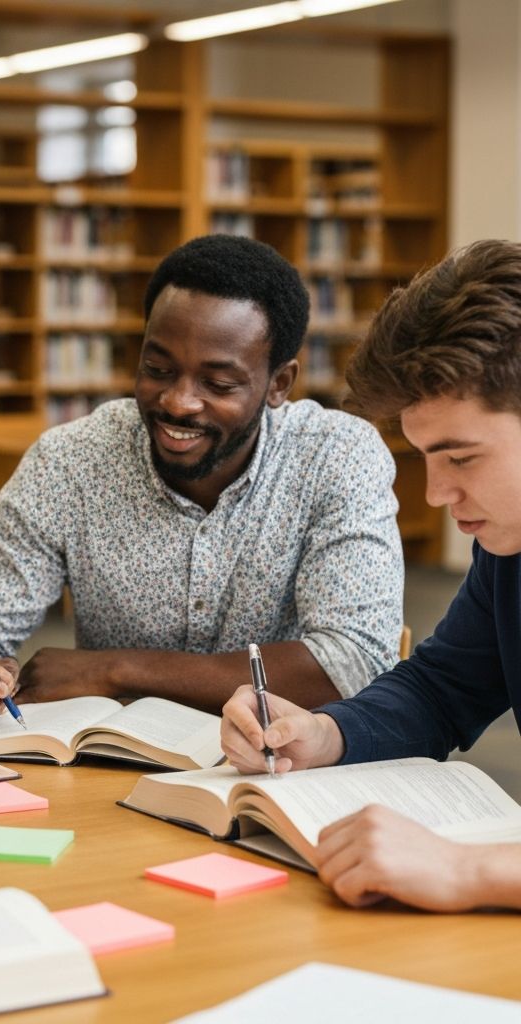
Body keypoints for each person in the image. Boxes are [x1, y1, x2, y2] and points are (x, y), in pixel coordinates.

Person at [0, 234, 404, 737]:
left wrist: (116, 670)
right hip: (117, 768)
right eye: (158, 368)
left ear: (278, 383)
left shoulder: (337, 455)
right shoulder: (70, 461)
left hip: (283, 771)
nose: (178, 401)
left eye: (218, 383)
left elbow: (351, 662)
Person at [221, 238, 521, 912]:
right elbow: (444, 689)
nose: (437, 496)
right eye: (424, 460)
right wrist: (327, 733)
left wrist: (470, 871)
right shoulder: (511, 553)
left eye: (462, 459)